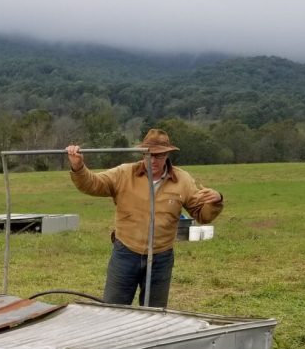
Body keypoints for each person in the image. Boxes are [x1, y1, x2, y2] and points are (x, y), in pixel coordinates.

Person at [66, 128, 224, 308]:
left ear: (167, 154)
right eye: (149, 155)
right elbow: (92, 184)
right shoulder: (124, 174)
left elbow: (202, 215)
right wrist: (78, 167)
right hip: (125, 253)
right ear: (143, 153)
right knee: (113, 310)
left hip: (161, 257)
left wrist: (215, 201)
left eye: (159, 155)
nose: (154, 160)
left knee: (155, 313)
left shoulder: (183, 180)